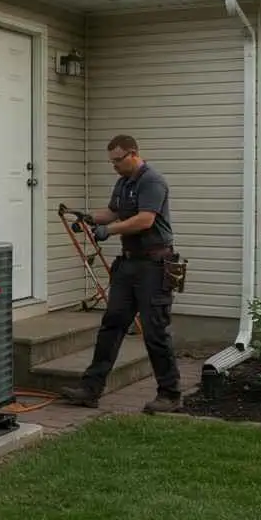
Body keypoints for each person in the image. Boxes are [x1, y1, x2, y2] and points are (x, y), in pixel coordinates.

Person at [59, 134, 183, 413]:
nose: (114, 166)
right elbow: (114, 212)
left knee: (155, 331)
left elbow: (144, 219)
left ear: (133, 154)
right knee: (111, 326)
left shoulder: (152, 180)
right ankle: (89, 389)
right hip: (128, 266)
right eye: (111, 161)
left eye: (118, 160)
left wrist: (108, 231)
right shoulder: (123, 182)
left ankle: (170, 394)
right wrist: (88, 218)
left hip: (154, 265)